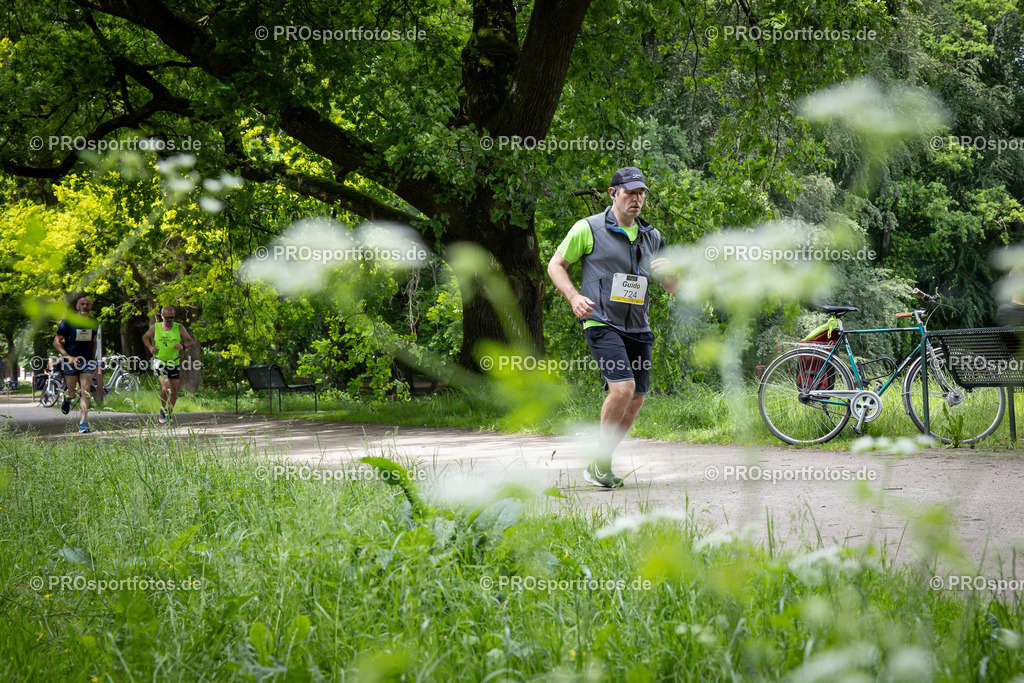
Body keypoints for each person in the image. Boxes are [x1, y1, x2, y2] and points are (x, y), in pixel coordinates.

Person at [547, 167, 677, 488]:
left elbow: (674, 287)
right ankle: (601, 463)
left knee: (636, 399)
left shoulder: (652, 236)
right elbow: (556, 265)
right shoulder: (588, 228)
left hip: (638, 325)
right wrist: (574, 296)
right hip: (600, 320)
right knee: (622, 388)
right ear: (612, 193)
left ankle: (598, 462)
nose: (637, 199)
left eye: (642, 193)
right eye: (630, 192)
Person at [53, 296, 101, 433]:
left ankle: (83, 422)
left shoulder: (93, 322)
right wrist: (68, 357)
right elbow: (56, 342)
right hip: (71, 360)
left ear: (90, 307)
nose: (85, 306)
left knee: (85, 390)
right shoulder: (68, 322)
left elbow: (94, 341)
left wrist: (94, 359)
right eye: (82, 304)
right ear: (77, 307)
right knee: (73, 393)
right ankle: (68, 398)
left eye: (87, 304)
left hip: (87, 360)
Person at [143, 306, 195, 424]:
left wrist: (183, 346)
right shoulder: (155, 327)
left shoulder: (179, 327)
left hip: (173, 361)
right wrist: (151, 347)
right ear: (162, 316)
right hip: (159, 361)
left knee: (174, 391)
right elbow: (145, 337)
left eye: (172, 317)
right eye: (167, 318)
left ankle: (169, 414)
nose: (170, 320)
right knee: (166, 387)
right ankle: (162, 410)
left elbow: (190, 340)